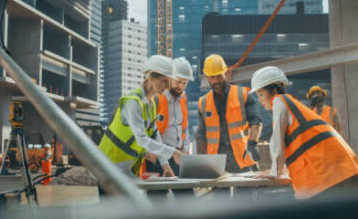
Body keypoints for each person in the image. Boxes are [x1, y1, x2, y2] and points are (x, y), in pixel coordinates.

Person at [251, 66, 358, 199]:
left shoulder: (279, 101)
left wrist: (275, 172)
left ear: (273, 91)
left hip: (330, 176)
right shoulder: (292, 105)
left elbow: (277, 142)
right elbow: (300, 147)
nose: (259, 100)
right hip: (342, 171)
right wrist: (282, 170)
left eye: (261, 94)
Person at [99, 55, 183, 184]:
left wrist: (165, 164)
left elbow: (155, 135)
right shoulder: (132, 102)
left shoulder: (151, 104)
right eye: (164, 81)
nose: (167, 86)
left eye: (168, 82)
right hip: (108, 168)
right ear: (150, 78)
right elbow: (142, 140)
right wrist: (173, 152)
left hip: (127, 170)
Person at [196, 54, 262, 174]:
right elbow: (201, 134)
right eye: (212, 77)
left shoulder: (243, 94)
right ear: (206, 77)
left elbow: (256, 121)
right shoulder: (203, 103)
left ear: (225, 73)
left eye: (218, 76)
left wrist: (253, 143)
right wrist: (201, 161)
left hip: (242, 159)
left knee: (245, 193)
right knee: (220, 194)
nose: (216, 81)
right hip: (216, 163)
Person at [144, 57, 194, 198]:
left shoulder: (183, 98)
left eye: (185, 83)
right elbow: (151, 132)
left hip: (177, 155)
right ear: (170, 78)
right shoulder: (157, 97)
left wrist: (185, 149)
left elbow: (184, 127)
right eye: (179, 81)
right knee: (158, 201)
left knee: (187, 197)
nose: (181, 86)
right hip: (157, 157)